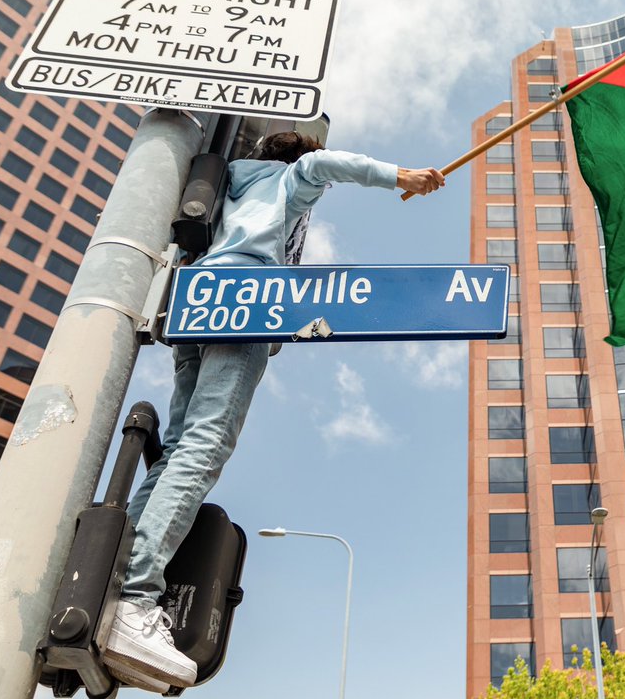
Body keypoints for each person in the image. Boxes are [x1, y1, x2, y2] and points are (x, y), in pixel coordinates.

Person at [102, 132, 444, 690]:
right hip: (248, 298)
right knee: (206, 446)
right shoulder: (290, 179)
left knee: (178, 449)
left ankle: (112, 579)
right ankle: (137, 597)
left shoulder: (230, 181)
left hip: (196, 298)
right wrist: (401, 175)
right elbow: (325, 163)